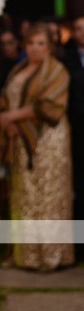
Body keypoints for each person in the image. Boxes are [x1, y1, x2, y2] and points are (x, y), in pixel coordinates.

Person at [0, 22, 73, 271]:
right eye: (31, 43)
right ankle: (25, 255)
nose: (36, 48)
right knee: (23, 194)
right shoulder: (19, 68)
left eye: (41, 43)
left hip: (48, 140)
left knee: (48, 194)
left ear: (50, 46)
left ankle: (50, 255)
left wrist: (12, 117)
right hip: (20, 140)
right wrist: (8, 122)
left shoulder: (57, 71)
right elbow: (5, 97)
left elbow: (49, 106)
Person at [62, 16, 84, 261]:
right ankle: (79, 246)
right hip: (77, 133)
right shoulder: (66, 60)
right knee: (78, 187)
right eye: (78, 29)